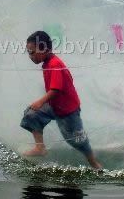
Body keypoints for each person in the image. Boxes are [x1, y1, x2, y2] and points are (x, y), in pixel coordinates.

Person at [20, 30, 102, 169]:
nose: (30, 56)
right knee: (31, 115)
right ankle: (40, 148)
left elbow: (56, 90)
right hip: (54, 106)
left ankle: (94, 163)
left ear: (44, 49)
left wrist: (40, 101)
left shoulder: (54, 64)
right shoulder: (47, 63)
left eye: (32, 52)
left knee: (78, 141)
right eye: (28, 52)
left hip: (68, 110)